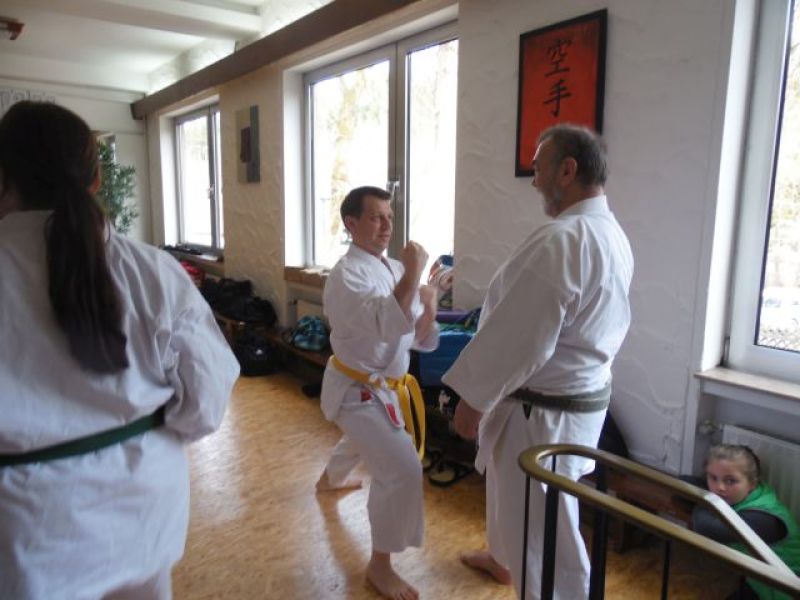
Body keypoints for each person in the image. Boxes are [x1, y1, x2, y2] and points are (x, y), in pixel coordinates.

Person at [0, 101, 239, 599]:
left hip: (29, 531)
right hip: (146, 510)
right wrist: (142, 432)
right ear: (95, 179)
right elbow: (206, 401)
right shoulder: (154, 270)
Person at [442, 123, 634, 599]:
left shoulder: (565, 239)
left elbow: (521, 338)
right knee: (512, 500)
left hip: (542, 413)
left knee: (544, 532)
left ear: (567, 170)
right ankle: (500, 559)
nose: (534, 181)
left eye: (538, 168)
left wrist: (472, 402)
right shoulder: (608, 233)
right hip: (567, 403)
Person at [315, 185, 439, 600]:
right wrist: (415, 277)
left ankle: (329, 480)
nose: (387, 226)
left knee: (361, 441)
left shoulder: (392, 269)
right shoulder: (345, 276)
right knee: (401, 468)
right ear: (351, 224)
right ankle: (380, 567)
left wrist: (430, 303)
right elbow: (387, 322)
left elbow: (414, 334)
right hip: (356, 387)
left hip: (384, 386)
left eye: (389, 217)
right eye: (376, 217)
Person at [692, 444, 800, 600]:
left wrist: (707, 498)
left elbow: (705, 527)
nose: (719, 487)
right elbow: (684, 480)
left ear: (752, 484)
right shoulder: (747, 494)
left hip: (787, 591)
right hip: (760, 581)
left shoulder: (762, 518)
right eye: (713, 478)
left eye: (730, 481)